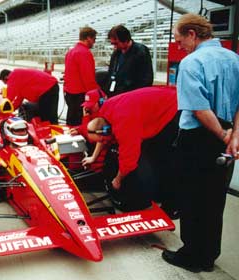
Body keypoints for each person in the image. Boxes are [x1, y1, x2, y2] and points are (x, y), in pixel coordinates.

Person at [161, 13, 239, 273]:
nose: (178, 45)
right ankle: (208, 255)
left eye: (179, 39)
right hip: (225, 133)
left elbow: (198, 109)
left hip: (198, 139)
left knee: (192, 198)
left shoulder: (192, 62)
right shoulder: (234, 59)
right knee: (215, 199)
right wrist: (233, 136)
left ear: (192, 34)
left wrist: (222, 135)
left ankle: (192, 256)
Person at [86, 86, 178, 212]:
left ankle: (172, 205)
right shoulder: (104, 113)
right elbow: (102, 137)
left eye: (102, 140)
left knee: (164, 157)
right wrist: (94, 157)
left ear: (105, 131)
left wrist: (117, 180)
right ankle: (156, 191)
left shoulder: (123, 125)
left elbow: (128, 160)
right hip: (158, 98)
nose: (102, 143)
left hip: (173, 106)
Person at [64, 26, 99, 125]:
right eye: (94, 39)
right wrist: (94, 95)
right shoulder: (84, 53)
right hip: (80, 95)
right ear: (88, 38)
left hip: (69, 93)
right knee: (81, 123)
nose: (94, 42)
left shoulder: (71, 51)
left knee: (71, 121)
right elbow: (88, 77)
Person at [106, 25, 153, 97]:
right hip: (117, 95)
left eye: (116, 43)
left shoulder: (140, 51)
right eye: (112, 44)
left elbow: (146, 79)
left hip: (133, 96)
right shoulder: (116, 54)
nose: (114, 46)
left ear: (125, 40)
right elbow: (111, 73)